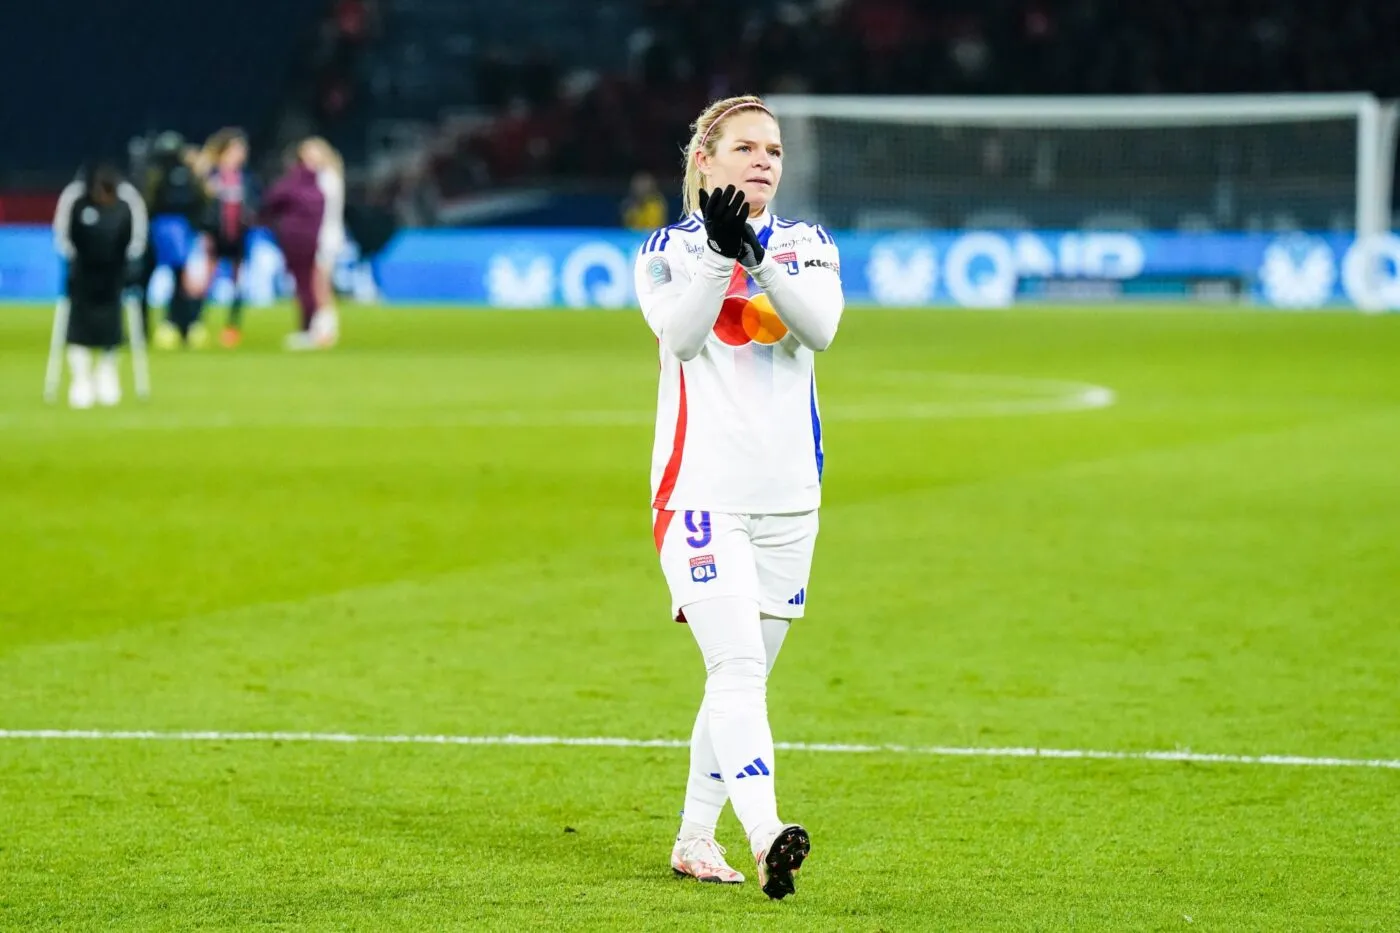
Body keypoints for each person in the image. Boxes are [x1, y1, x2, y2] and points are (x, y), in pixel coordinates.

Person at [632, 95, 844, 900]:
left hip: (790, 499)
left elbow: (818, 328)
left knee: (742, 679)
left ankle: (693, 837)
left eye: (775, 150)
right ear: (705, 162)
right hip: (700, 496)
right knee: (736, 667)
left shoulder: (806, 243)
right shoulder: (665, 250)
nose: (765, 161)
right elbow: (682, 336)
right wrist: (721, 256)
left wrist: (755, 256)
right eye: (748, 148)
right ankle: (766, 834)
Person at [52, 163, 148, 407]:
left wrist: (129, 265)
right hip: (83, 275)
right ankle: (81, 379)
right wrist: (72, 262)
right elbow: (63, 235)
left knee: (112, 329)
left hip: (114, 276)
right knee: (77, 329)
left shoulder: (128, 202)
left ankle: (107, 374)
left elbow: (136, 238)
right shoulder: (75, 199)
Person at [259, 145, 326, 350]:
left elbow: (270, 201)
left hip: (294, 239)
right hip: (312, 240)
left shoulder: (292, 184)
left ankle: (306, 331)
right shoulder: (317, 187)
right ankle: (310, 328)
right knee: (308, 283)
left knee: (303, 285)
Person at [201, 128, 255, 348]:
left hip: (239, 236)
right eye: (236, 149)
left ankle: (232, 327)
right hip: (215, 235)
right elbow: (202, 206)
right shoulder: (211, 175)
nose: (241, 154)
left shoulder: (246, 178)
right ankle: (196, 324)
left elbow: (254, 203)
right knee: (206, 281)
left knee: (238, 283)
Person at [300, 136, 345, 347]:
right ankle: (322, 327)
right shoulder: (330, 176)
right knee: (319, 283)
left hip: (324, 235)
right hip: (325, 234)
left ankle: (325, 330)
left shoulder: (326, 178)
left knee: (320, 284)